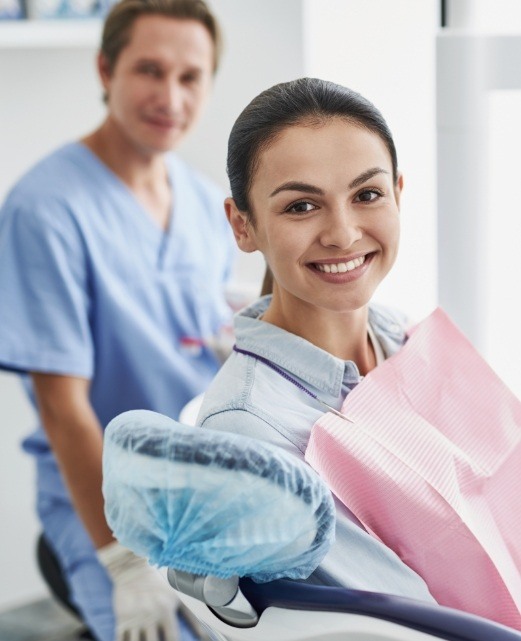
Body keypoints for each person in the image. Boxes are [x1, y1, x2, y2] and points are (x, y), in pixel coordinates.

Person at [0, 1, 235, 640]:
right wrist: (124, 561)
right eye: (149, 71)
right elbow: (62, 408)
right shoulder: (45, 209)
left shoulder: (202, 200)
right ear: (106, 69)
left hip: (201, 492)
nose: (170, 97)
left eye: (191, 77)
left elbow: (199, 338)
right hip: (103, 498)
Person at [196, 77, 436, 602]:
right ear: (243, 226)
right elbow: (412, 614)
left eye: (367, 194)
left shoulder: (404, 338)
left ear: (398, 193)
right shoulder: (247, 434)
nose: (343, 233)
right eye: (301, 207)